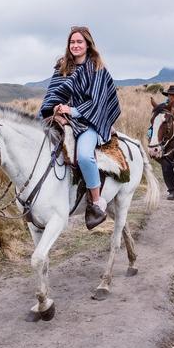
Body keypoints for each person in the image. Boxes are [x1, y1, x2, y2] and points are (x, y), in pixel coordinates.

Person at [39, 26, 121, 230]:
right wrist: (56, 110)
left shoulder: (97, 69)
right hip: (63, 119)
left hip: (89, 122)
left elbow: (99, 102)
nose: (75, 45)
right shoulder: (62, 67)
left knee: (84, 155)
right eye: (72, 42)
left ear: (87, 44)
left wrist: (73, 110)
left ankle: (96, 201)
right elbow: (53, 94)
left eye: (79, 42)